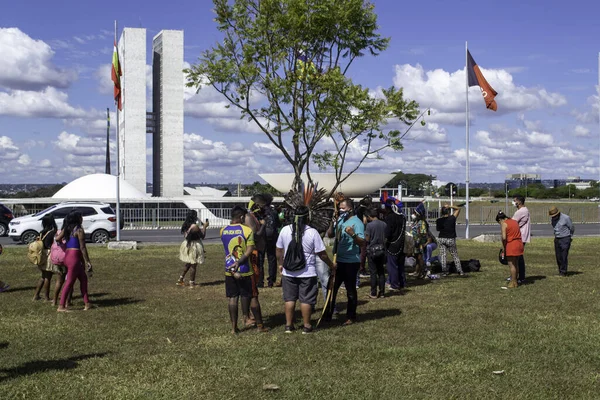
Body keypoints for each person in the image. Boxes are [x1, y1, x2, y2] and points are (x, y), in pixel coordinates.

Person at [276, 206, 335, 334]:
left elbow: (279, 250)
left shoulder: (285, 230)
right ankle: (307, 325)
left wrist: (281, 263)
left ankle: (288, 325)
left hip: (288, 271)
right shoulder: (312, 232)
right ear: (308, 217)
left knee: (289, 299)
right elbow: (322, 254)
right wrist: (331, 265)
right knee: (306, 300)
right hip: (307, 273)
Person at [220, 206, 268, 334]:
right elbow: (250, 249)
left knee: (233, 298)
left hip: (229, 270)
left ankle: (233, 328)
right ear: (241, 217)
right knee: (252, 296)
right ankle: (259, 325)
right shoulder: (247, 231)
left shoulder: (223, 230)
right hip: (245, 269)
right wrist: (240, 262)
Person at [324, 198, 365, 325]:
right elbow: (330, 234)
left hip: (351, 262)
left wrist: (353, 234)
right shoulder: (341, 220)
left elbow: (362, 242)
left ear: (350, 209)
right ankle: (328, 313)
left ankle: (351, 316)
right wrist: (333, 221)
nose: (341, 210)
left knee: (350, 289)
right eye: (339, 208)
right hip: (338, 260)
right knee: (332, 287)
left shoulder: (357, 222)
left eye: (343, 208)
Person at [56, 211, 93, 312]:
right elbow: (83, 247)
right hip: (75, 257)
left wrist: (64, 245)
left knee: (83, 279)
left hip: (68, 255)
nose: (82, 219)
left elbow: (57, 239)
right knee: (69, 282)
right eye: (81, 217)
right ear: (77, 218)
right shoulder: (79, 230)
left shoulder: (67, 229)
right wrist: (88, 261)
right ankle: (61, 306)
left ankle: (87, 303)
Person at [176, 210, 208, 288]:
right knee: (193, 265)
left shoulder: (185, 225)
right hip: (194, 245)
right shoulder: (194, 226)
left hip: (187, 244)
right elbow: (202, 236)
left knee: (189, 263)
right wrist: (204, 227)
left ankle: (181, 278)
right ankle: (192, 283)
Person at [381, 194, 407, 291]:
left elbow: (388, 232)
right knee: (400, 265)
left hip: (392, 244)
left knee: (392, 266)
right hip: (401, 243)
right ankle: (402, 282)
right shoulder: (402, 217)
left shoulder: (390, 218)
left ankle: (394, 284)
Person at [33, 214, 59, 302]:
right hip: (48, 254)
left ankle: (36, 295)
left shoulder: (41, 232)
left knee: (43, 276)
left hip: (41, 255)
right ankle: (46, 297)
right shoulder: (52, 232)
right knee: (48, 276)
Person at [435, 204, 465, 276]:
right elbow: (458, 209)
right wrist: (450, 206)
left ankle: (444, 271)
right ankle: (460, 271)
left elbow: (438, 229)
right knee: (455, 255)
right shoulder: (452, 218)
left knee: (443, 255)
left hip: (441, 238)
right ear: (448, 212)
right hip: (450, 238)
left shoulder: (438, 220)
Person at [496, 211, 523, 288]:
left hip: (511, 244)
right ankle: (516, 281)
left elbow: (504, 237)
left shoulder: (504, 224)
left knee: (511, 265)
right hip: (519, 243)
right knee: (516, 263)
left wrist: (503, 247)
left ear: (500, 220)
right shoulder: (514, 222)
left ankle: (513, 282)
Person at [364, 208, 387, 298]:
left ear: (370, 216)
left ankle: (373, 292)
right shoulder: (384, 224)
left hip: (372, 250)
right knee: (381, 271)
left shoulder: (369, 226)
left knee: (373, 272)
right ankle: (382, 292)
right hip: (381, 249)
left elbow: (367, 239)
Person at [549, 206, 574, 277]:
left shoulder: (566, 218)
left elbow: (571, 227)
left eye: (554, 215)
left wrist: (569, 237)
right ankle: (560, 270)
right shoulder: (553, 219)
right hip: (557, 238)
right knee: (558, 256)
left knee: (564, 255)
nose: (553, 217)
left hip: (565, 238)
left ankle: (563, 272)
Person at [511, 195, 530, 283]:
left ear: (519, 202)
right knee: (517, 257)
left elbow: (513, 223)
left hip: (519, 236)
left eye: (515, 200)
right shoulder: (522, 210)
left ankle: (520, 277)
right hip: (520, 236)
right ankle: (515, 275)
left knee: (518, 257)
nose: (514, 202)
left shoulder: (521, 211)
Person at [408, 202, 429, 279]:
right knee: (417, 257)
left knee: (420, 258)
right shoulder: (415, 222)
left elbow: (423, 233)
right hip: (414, 242)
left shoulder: (422, 222)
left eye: (415, 213)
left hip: (419, 243)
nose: (413, 214)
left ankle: (422, 272)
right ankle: (417, 271)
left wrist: (418, 241)